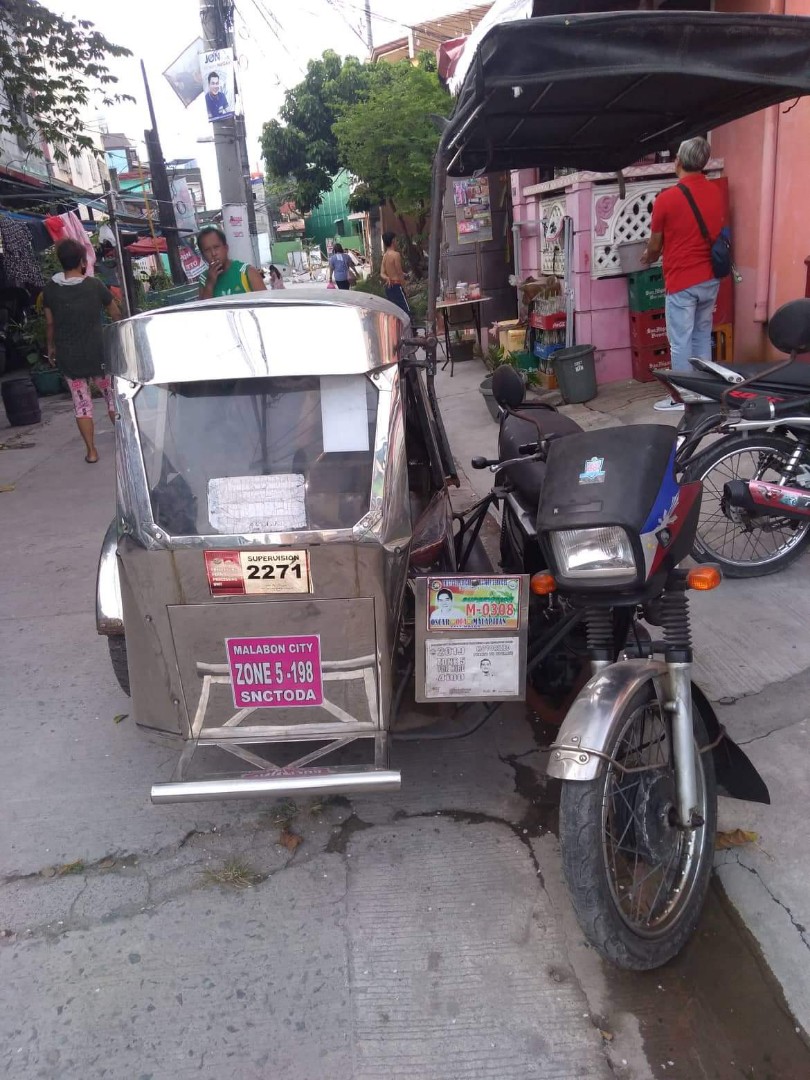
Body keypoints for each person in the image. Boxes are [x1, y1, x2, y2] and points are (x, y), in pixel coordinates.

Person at [640, 136, 725, 412]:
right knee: (701, 335)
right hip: (710, 277)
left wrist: (647, 257)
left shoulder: (667, 199)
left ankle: (682, 396)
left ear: (678, 161)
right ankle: (705, 391)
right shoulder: (715, 193)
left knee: (679, 342)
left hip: (682, 280)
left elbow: (654, 246)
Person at [43, 238, 122, 464]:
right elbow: (115, 313)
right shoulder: (94, 285)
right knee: (110, 398)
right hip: (99, 354)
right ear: (81, 260)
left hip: (70, 358)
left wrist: (50, 347)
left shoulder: (50, 290)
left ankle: (91, 451)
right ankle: (124, 441)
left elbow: (49, 324)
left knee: (82, 404)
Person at [197, 225, 266, 299]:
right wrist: (209, 284)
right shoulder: (204, 279)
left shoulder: (247, 272)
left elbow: (266, 306)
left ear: (226, 248)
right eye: (207, 250)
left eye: (216, 247)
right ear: (203, 256)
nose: (213, 253)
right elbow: (204, 309)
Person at [380, 231, 410, 316]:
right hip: (397, 286)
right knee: (405, 311)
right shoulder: (396, 255)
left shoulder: (385, 256)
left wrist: (387, 278)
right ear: (393, 241)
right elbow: (399, 272)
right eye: (396, 240)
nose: (396, 241)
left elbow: (382, 273)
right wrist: (405, 287)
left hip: (389, 287)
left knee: (394, 312)